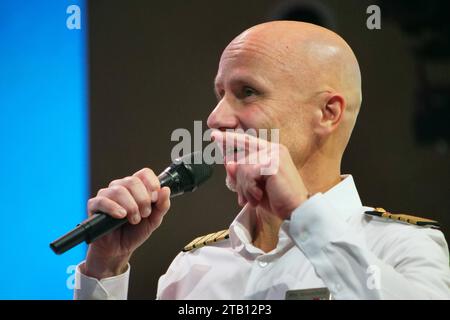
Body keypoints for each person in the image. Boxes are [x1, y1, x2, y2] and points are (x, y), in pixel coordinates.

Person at [74, 21, 450, 299]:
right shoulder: (193, 268)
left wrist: (303, 214)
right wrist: (105, 269)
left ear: (328, 113)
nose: (216, 118)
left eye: (247, 92)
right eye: (220, 93)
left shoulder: (402, 247)